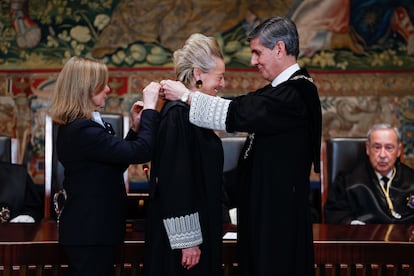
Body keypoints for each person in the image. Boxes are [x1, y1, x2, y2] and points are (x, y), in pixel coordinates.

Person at [162, 16, 322, 276]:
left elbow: (239, 112)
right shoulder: (280, 91)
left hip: (278, 221)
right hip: (264, 215)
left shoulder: (296, 93)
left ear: (279, 49)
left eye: (258, 52)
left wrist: (185, 95)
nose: (253, 61)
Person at [48, 56, 160, 276]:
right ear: (86, 88)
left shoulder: (83, 127)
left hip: (94, 232)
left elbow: (113, 165)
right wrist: (149, 110)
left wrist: (135, 130)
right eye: (102, 84)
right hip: (90, 234)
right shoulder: (82, 130)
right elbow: (142, 151)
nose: (109, 89)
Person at [143, 33, 225, 276]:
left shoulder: (191, 112)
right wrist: (188, 241)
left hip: (199, 228)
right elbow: (175, 181)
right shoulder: (178, 115)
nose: (222, 84)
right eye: (219, 77)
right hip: (182, 242)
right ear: (198, 74)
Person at [324, 124, 414, 224]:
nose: (382, 155)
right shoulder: (347, 181)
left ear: (399, 150)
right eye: (377, 147)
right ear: (367, 148)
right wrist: (352, 224)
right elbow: (335, 215)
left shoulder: (411, 180)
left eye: (389, 147)